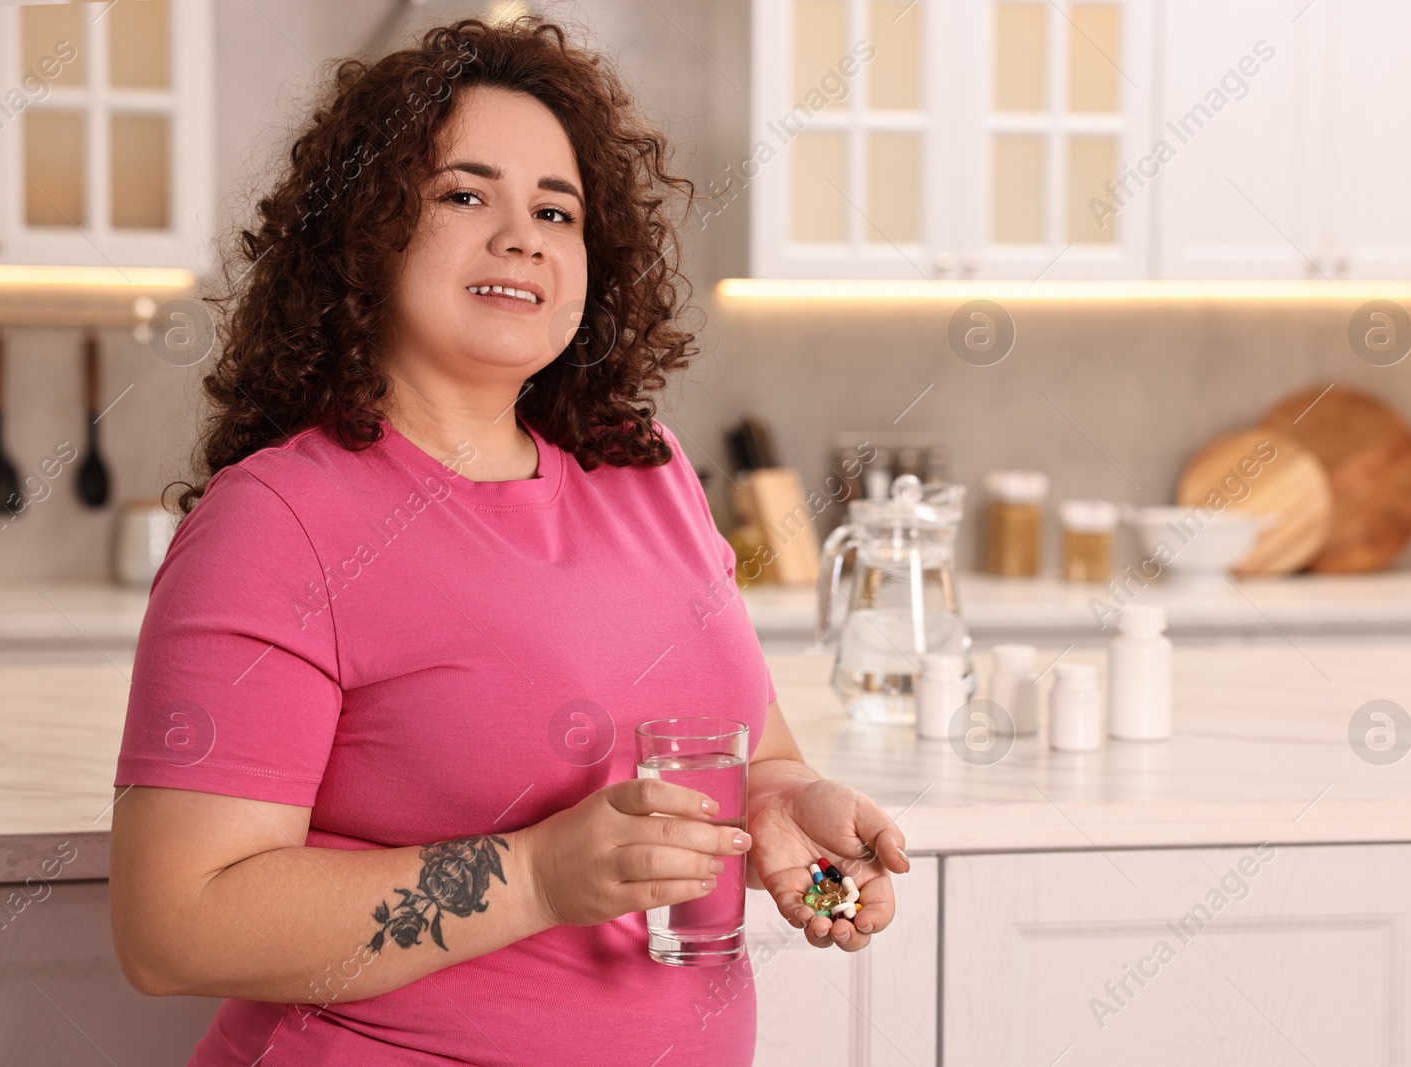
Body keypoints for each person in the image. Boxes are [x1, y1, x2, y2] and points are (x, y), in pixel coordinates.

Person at [107, 18, 909, 1065]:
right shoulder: (279, 519)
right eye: (463, 194)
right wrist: (531, 876)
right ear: (366, 226)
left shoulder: (645, 468)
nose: (522, 234)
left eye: (555, 209)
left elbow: (750, 752)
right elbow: (174, 923)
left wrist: (783, 804)